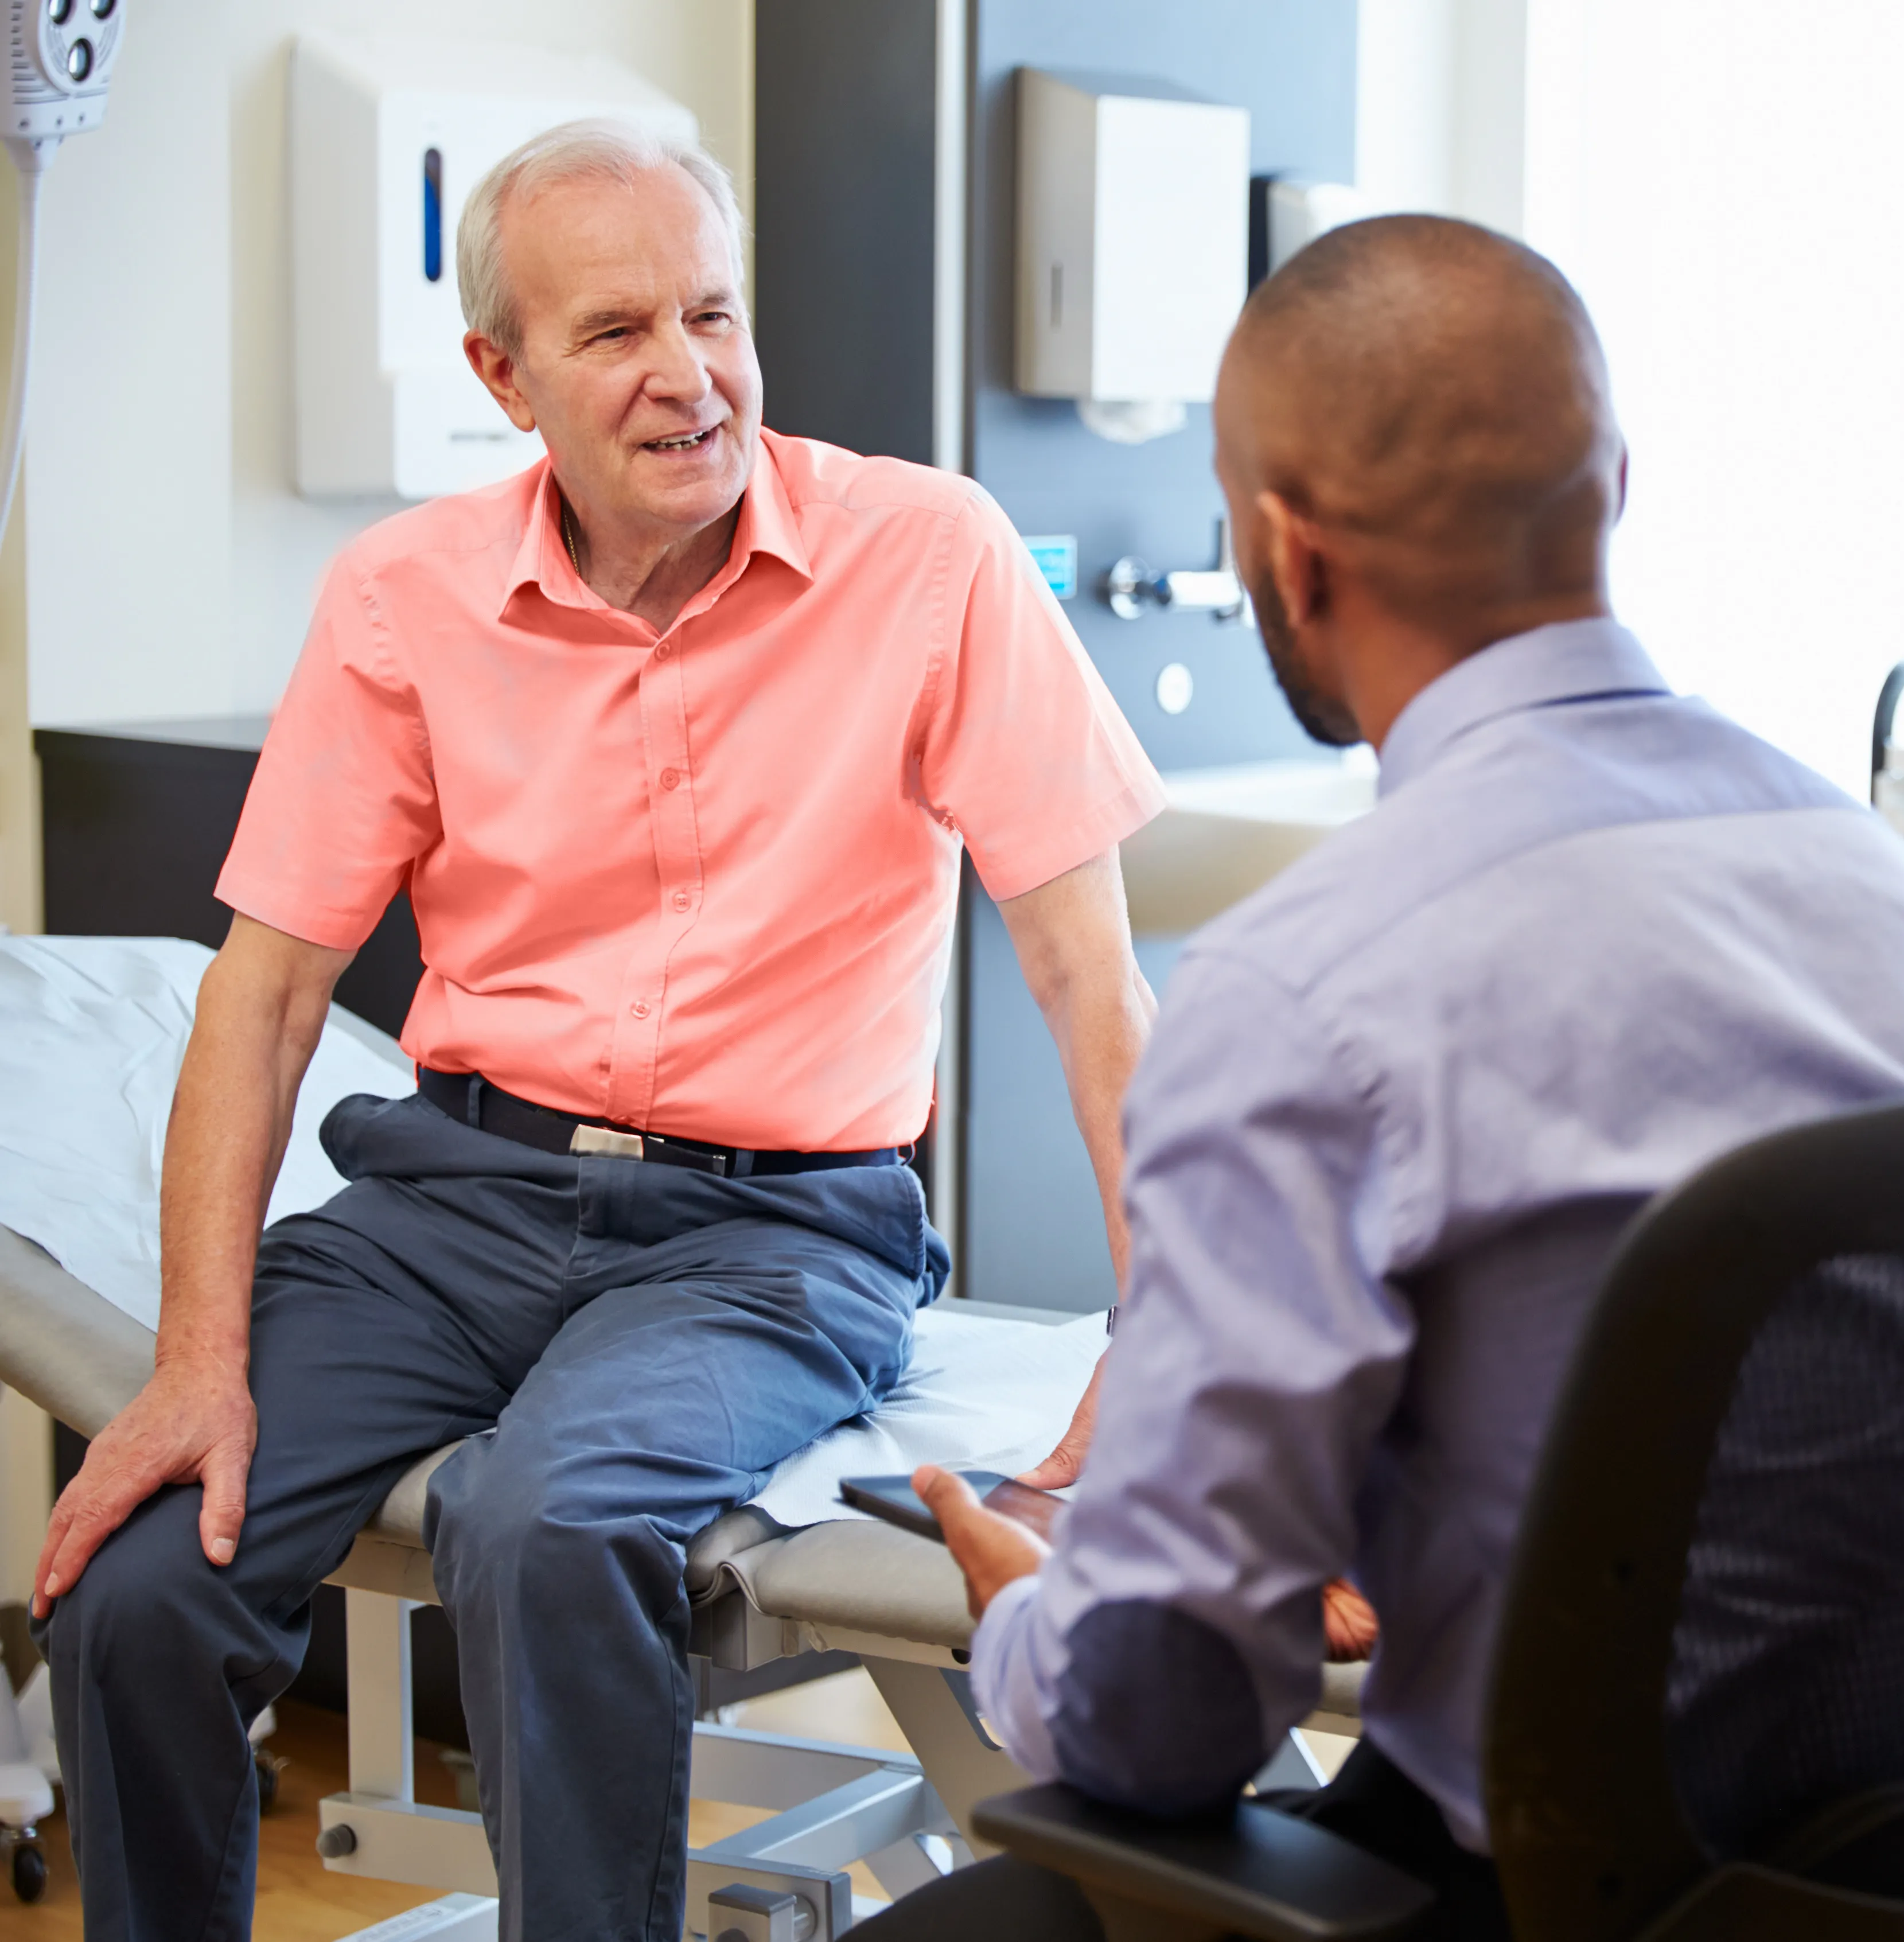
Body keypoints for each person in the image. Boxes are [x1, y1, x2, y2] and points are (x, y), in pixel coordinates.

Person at [843, 215, 1904, 1941]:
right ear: (1615, 485)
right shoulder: (1899, 901)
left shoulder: (1302, 992)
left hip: (1559, 1894)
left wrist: (1033, 1624)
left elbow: (1173, 1718)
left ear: (1282, 544)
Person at [29, 121, 1163, 1942]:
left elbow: (1090, 983)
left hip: (774, 1234)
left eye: (713, 313)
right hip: (449, 1201)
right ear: (505, 373)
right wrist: (193, 1359)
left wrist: (1169, 1325)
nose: (689, 376)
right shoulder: (406, 598)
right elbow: (263, 994)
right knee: (146, 1583)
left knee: (545, 1529)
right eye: (620, 330)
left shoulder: (928, 560)